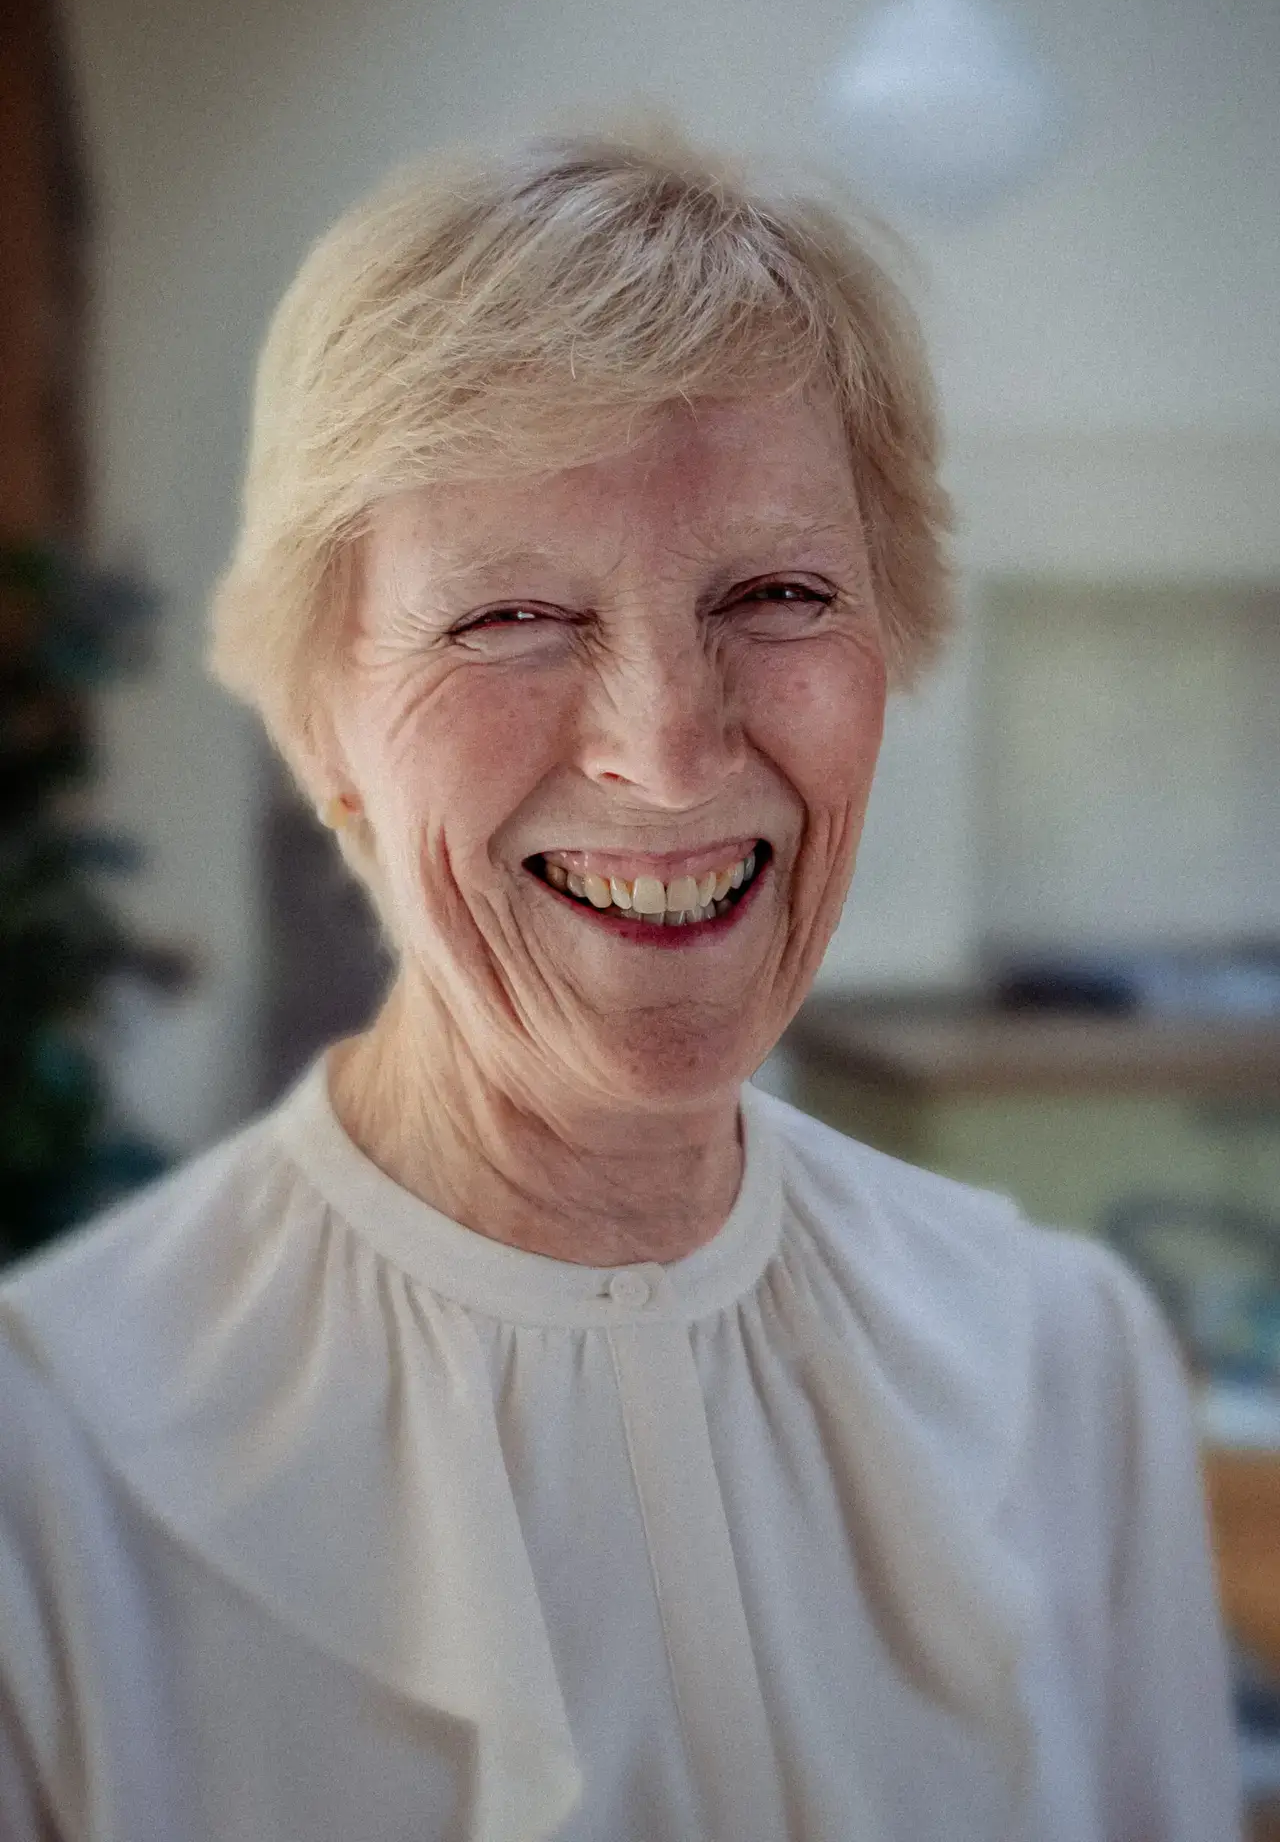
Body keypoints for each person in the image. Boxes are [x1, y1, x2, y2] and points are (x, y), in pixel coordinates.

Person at [0, 125, 1240, 1842]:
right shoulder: (44, 1475)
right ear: (321, 731)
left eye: (780, 592)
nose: (666, 751)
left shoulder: (1069, 1369)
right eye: (510, 615)